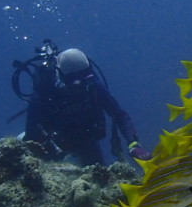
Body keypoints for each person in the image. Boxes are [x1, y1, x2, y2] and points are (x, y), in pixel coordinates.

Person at [13, 40, 152, 166]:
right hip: (54, 141)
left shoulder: (93, 86)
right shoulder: (45, 92)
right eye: (76, 83)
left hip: (86, 139)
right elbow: (32, 132)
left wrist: (133, 144)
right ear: (62, 76)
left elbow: (119, 114)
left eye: (87, 78)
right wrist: (54, 153)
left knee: (98, 176)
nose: (83, 86)